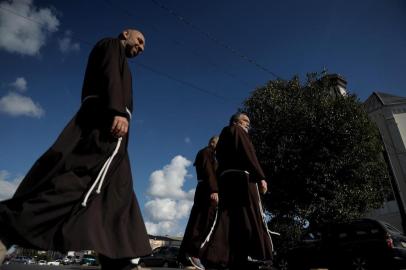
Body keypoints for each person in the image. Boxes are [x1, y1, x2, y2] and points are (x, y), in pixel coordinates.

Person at [0, 29, 151, 270]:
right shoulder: (111, 45)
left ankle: (119, 261)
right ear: (125, 34)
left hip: (117, 136)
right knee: (78, 181)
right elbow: (110, 76)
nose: (142, 48)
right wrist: (117, 111)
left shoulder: (123, 59)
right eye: (140, 41)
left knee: (119, 194)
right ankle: (6, 227)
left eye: (144, 46)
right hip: (104, 123)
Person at [201, 112, 273, 269]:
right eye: (245, 120)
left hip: (227, 181)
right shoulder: (237, 130)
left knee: (228, 217)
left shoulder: (223, 139)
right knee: (251, 214)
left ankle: (219, 257)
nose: (248, 124)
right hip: (242, 179)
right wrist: (260, 176)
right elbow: (249, 153)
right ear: (236, 122)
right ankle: (255, 254)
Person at [178, 136, 219, 270]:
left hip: (206, 190)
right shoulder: (206, 152)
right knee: (202, 221)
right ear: (213, 143)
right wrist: (214, 189)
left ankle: (188, 255)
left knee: (199, 220)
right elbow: (209, 171)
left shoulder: (210, 154)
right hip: (207, 190)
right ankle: (193, 253)